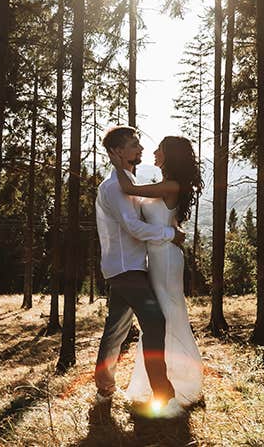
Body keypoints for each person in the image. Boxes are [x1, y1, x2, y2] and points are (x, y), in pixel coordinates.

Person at [93, 126, 187, 418]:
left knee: (117, 329)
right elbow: (132, 227)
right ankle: (164, 396)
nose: (141, 150)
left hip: (131, 267)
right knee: (154, 321)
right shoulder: (112, 187)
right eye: (135, 145)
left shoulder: (128, 180)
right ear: (119, 151)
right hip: (125, 269)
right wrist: (169, 235)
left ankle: (103, 389)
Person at [108, 135, 205, 409]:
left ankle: (178, 380)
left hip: (165, 258)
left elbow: (128, 188)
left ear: (169, 156)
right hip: (159, 254)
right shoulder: (165, 185)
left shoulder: (170, 185)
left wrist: (118, 163)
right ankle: (163, 379)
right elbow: (151, 207)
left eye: (159, 149)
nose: (153, 152)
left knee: (166, 315)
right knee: (159, 317)